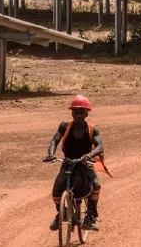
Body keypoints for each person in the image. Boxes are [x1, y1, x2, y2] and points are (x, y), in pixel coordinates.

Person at [44, 95, 105, 231]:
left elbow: (100, 147)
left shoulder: (92, 129)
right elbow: (55, 140)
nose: (78, 115)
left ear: (86, 114)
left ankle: (90, 216)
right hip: (68, 163)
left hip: (85, 163)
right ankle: (62, 213)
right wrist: (51, 154)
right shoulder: (65, 126)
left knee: (96, 185)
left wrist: (88, 156)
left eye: (81, 112)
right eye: (76, 112)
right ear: (71, 112)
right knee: (56, 190)